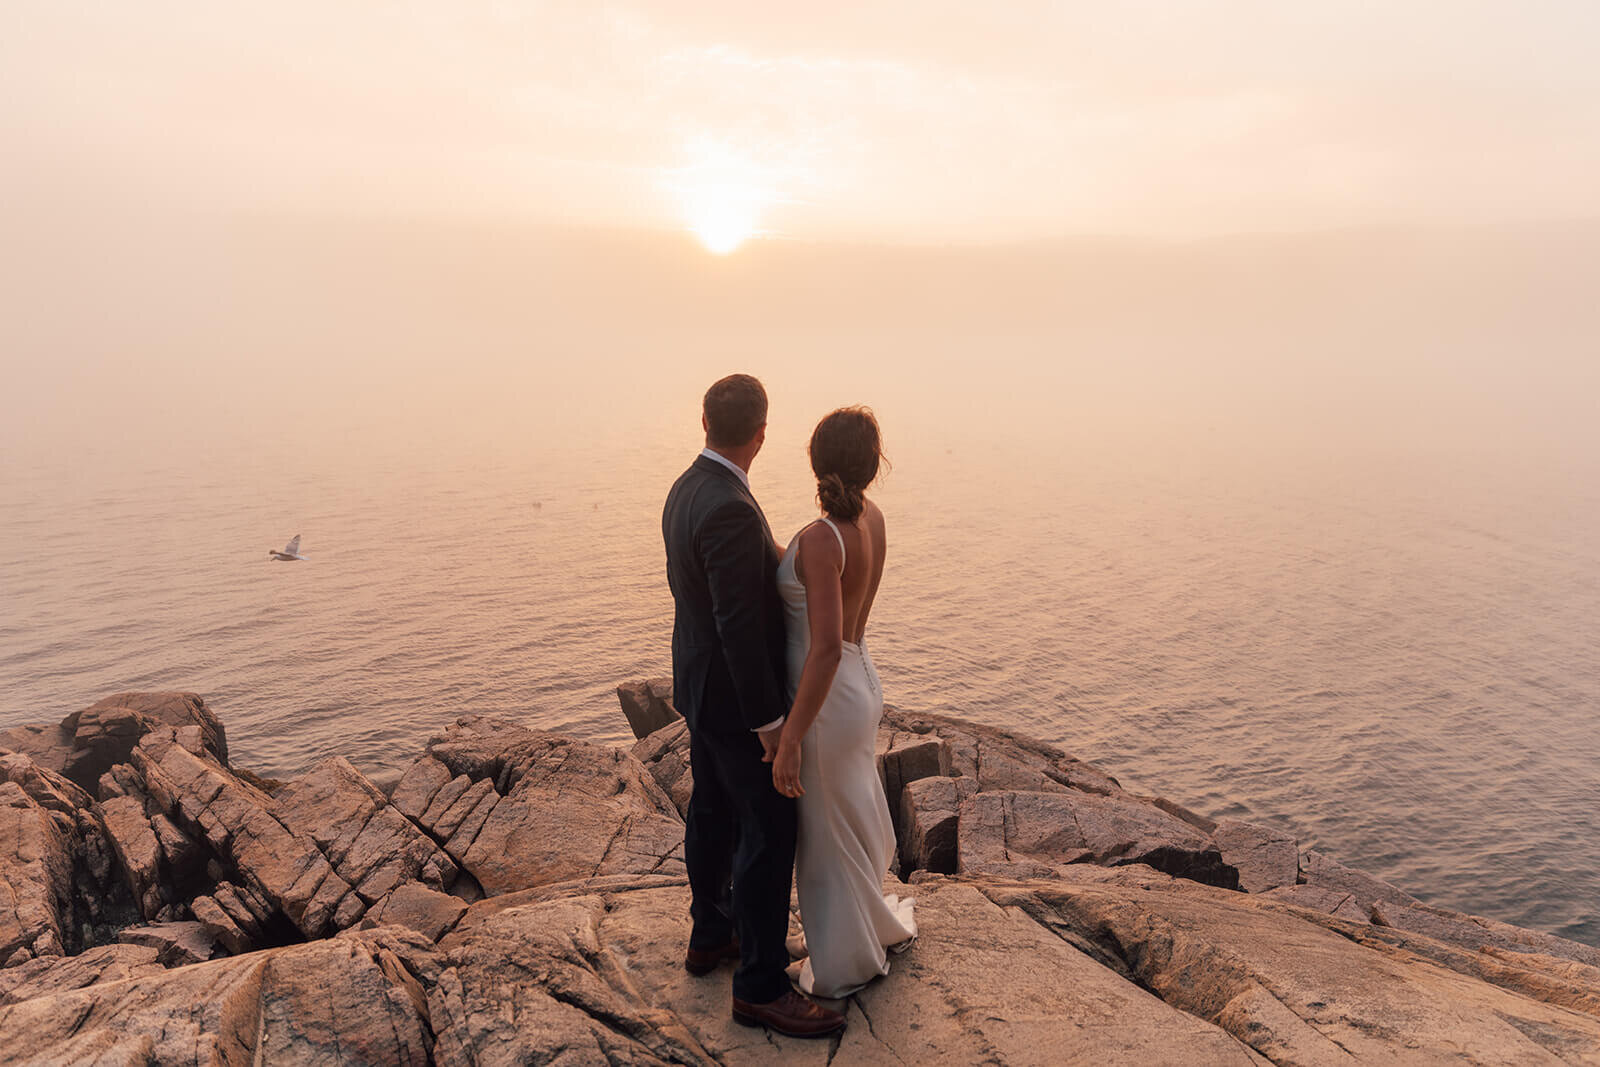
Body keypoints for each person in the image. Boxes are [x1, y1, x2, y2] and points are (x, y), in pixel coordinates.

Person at [661, 374, 847, 1039]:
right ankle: (761, 986)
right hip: (738, 702)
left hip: (697, 687)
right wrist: (772, 726)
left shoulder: (686, 488)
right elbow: (739, 624)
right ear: (762, 434)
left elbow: (706, 597)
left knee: (710, 812)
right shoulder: (732, 505)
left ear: (704, 421)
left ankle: (712, 933)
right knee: (769, 828)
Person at [769, 406, 917, 998]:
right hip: (862, 682)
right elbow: (833, 612)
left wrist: (788, 739)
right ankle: (865, 926)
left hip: (825, 700)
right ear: (872, 465)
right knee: (845, 818)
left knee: (826, 833)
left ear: (815, 459)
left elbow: (822, 649)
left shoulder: (820, 539)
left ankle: (843, 961)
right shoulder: (871, 520)